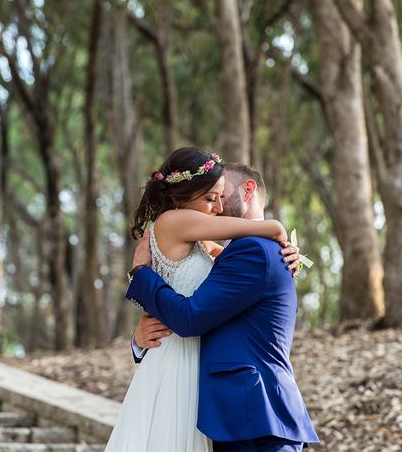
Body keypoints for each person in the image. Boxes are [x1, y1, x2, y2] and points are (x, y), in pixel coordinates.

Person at [104, 148, 301, 452]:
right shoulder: (176, 221)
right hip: (182, 357)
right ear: (184, 195)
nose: (219, 208)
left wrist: (286, 260)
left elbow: (229, 279)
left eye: (222, 197)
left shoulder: (216, 245)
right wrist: (274, 229)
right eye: (211, 198)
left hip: (206, 373)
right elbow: (189, 310)